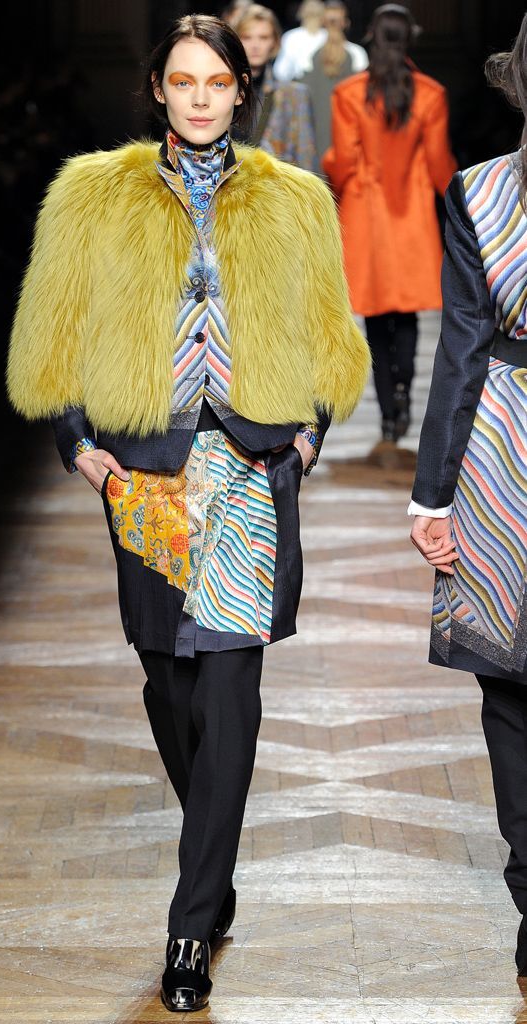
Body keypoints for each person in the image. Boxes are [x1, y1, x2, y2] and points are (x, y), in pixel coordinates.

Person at [7, 14, 370, 1013]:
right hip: (146, 465)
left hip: (250, 461)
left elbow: (326, 331)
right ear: (157, 91)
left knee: (231, 686)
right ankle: (215, 864)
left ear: (241, 90)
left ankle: (188, 924)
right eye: (183, 81)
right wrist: (78, 446)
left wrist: (306, 437)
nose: (201, 97)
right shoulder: (92, 194)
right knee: (171, 685)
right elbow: (54, 326)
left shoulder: (294, 199)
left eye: (217, 81)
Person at [409, 13, 527, 988]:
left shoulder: (479, 193)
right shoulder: (478, 191)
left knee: (509, 687)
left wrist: (430, 496)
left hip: (499, 446)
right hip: (500, 447)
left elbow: (461, 348)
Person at [323, 4, 456, 442]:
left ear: (371, 36)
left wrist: (330, 166)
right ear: (411, 38)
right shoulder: (430, 94)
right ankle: (402, 395)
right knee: (408, 313)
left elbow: (343, 161)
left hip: (366, 213)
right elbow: (438, 163)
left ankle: (386, 413)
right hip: (411, 214)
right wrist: (463, 204)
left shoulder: (349, 94)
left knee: (377, 319)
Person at [235, 3, 318, 169]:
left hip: (276, 183)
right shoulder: (222, 92)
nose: (255, 45)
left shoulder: (295, 95)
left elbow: (306, 159)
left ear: (274, 42)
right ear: (236, 42)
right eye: (247, 37)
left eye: (263, 37)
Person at [302, 1, 368, 163]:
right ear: (346, 23)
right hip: (346, 130)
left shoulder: (307, 53)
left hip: (316, 130)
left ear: (322, 22)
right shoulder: (358, 54)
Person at [274, 0, 367, 83]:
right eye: (330, 22)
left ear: (346, 23)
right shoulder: (298, 40)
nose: (333, 27)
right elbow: (282, 73)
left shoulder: (356, 53)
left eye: (335, 21)